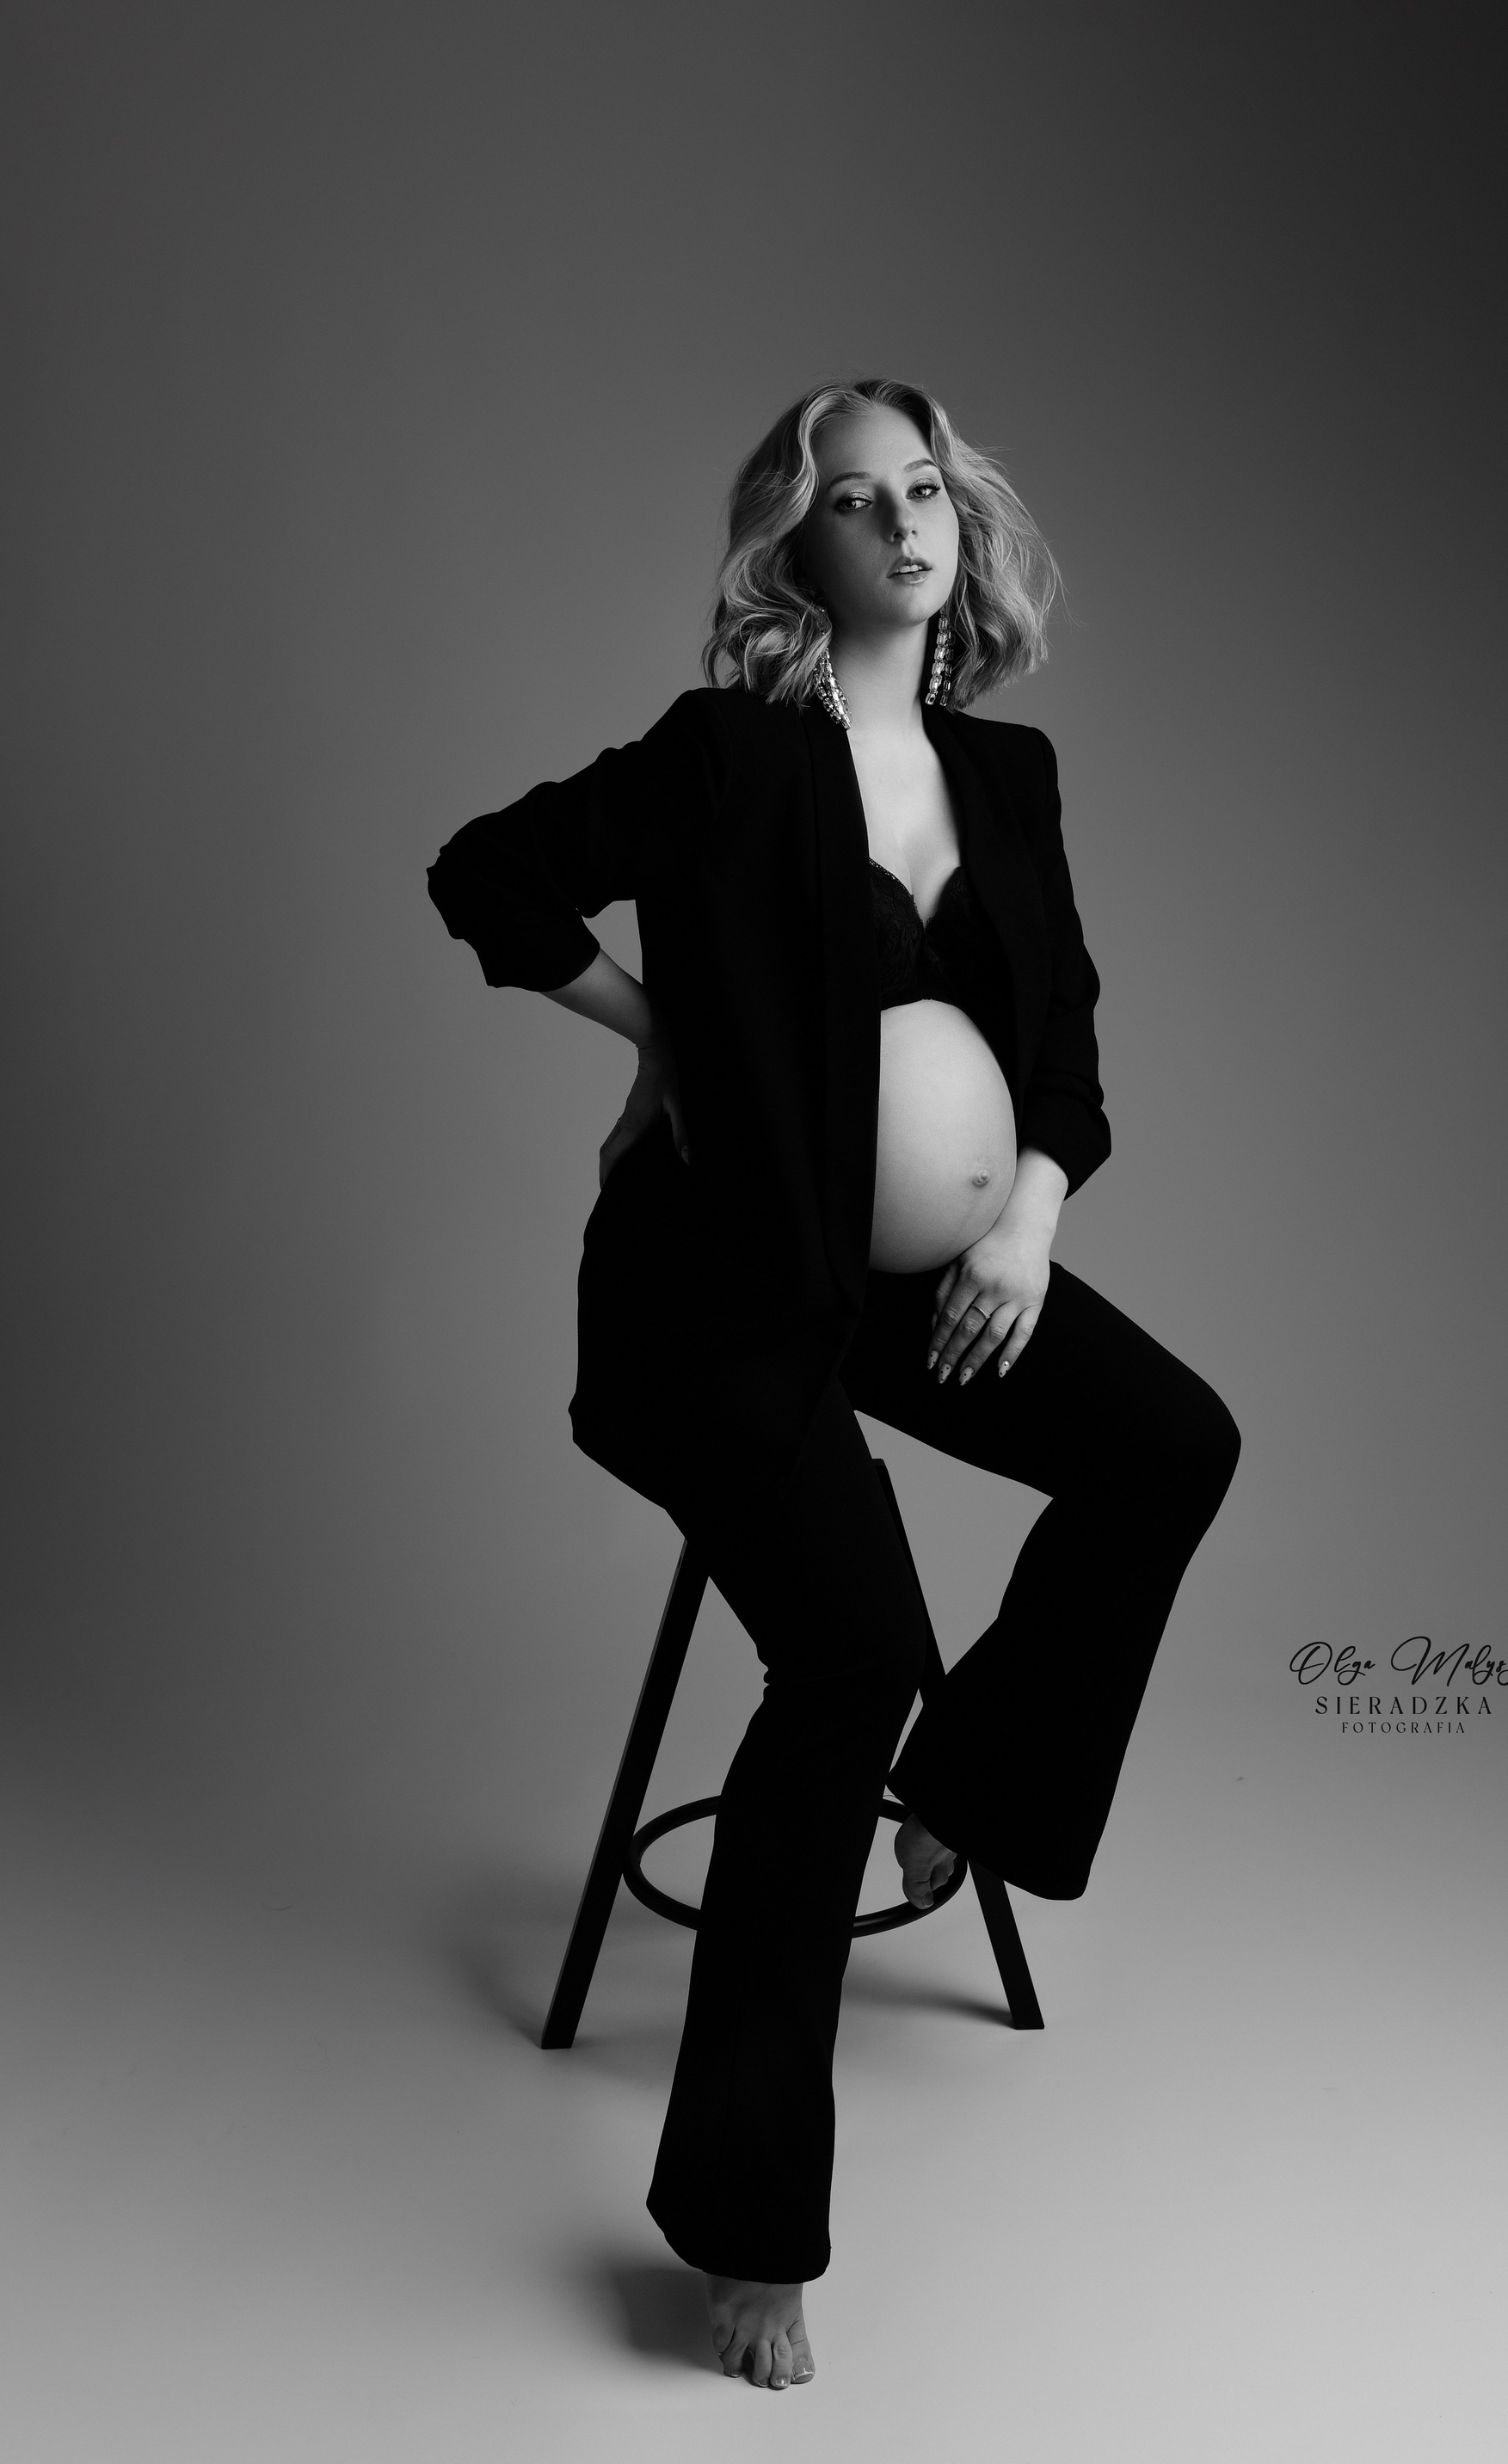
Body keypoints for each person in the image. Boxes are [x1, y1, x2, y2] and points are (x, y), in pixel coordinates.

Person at [428, 377, 1240, 2390]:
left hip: (921, 1291)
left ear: (965, 517)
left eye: (924, 486)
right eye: (853, 497)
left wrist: (1024, 1218)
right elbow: (489, 871)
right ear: (792, 545)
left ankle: (969, 1787)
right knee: (852, 1651)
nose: (901, 521)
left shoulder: (1012, 774)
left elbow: (1066, 1058)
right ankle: (745, 2226)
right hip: (711, 1301)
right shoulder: (727, 756)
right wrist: (659, 1033)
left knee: (1171, 1443)